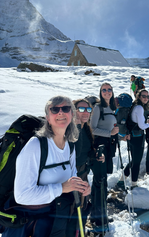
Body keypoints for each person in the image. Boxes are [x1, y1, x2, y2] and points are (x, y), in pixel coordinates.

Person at [2, 95, 91, 237]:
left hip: (59, 219)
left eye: (65, 108)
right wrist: (61, 188)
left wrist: (80, 186)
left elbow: (72, 173)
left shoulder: (70, 144)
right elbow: (22, 196)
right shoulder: (36, 145)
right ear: (48, 118)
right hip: (32, 224)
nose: (60, 112)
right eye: (54, 109)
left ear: (72, 114)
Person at [66, 98, 104, 237]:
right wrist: (76, 127)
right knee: (73, 210)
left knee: (81, 207)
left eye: (88, 109)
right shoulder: (69, 129)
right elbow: (75, 154)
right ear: (73, 111)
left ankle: (79, 232)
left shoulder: (85, 128)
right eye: (81, 109)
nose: (85, 112)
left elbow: (84, 152)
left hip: (83, 175)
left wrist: (95, 156)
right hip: (71, 178)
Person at [90, 83, 119, 229]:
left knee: (103, 179)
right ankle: (99, 217)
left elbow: (109, 127)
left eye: (109, 89)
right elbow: (92, 129)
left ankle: (98, 213)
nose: (107, 92)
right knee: (100, 180)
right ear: (100, 92)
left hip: (109, 146)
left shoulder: (112, 108)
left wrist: (117, 134)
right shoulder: (97, 108)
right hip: (100, 147)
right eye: (104, 90)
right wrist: (109, 134)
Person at [117, 89, 149, 189]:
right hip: (138, 137)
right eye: (143, 96)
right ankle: (134, 184)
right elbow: (142, 126)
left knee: (134, 160)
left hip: (131, 136)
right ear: (139, 96)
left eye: (147, 96)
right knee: (137, 162)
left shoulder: (133, 106)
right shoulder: (139, 108)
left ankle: (121, 180)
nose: (146, 98)